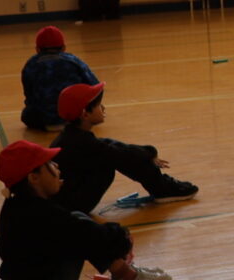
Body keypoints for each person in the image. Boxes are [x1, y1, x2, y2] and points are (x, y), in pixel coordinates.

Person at [0, 140, 171, 280]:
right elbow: (90, 235)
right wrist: (123, 235)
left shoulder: (18, 204)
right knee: (81, 234)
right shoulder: (41, 213)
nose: (57, 167)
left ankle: (124, 276)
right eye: (50, 164)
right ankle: (129, 278)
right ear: (34, 178)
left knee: (78, 225)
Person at [51, 82, 198, 213]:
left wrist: (146, 152)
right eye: (98, 105)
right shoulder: (82, 142)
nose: (103, 107)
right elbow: (120, 154)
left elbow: (110, 145)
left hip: (67, 199)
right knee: (112, 160)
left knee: (114, 150)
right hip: (71, 207)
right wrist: (150, 152)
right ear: (85, 114)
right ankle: (162, 189)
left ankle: (161, 187)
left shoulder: (71, 135)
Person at [20, 25, 99, 131]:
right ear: (63, 47)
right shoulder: (74, 60)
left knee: (27, 115)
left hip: (44, 119)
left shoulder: (31, 64)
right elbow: (94, 85)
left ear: (37, 49)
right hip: (76, 116)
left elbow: (29, 94)